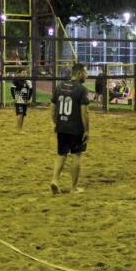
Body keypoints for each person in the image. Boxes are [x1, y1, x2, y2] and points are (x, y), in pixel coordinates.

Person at [50, 63, 90, 194]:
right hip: (76, 128)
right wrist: (87, 130)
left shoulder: (60, 86)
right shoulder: (82, 89)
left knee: (61, 155)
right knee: (76, 156)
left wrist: (55, 122)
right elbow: (84, 112)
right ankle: (74, 188)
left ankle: (55, 180)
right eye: (85, 72)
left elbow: (52, 107)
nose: (86, 75)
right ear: (79, 74)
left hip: (61, 126)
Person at [10, 69, 33, 133]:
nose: (25, 74)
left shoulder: (28, 81)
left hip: (25, 100)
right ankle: (19, 129)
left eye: (26, 73)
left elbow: (31, 90)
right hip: (18, 100)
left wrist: (29, 99)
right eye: (23, 73)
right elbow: (12, 89)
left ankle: (20, 128)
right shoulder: (16, 80)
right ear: (19, 73)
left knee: (23, 114)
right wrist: (14, 98)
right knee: (20, 114)